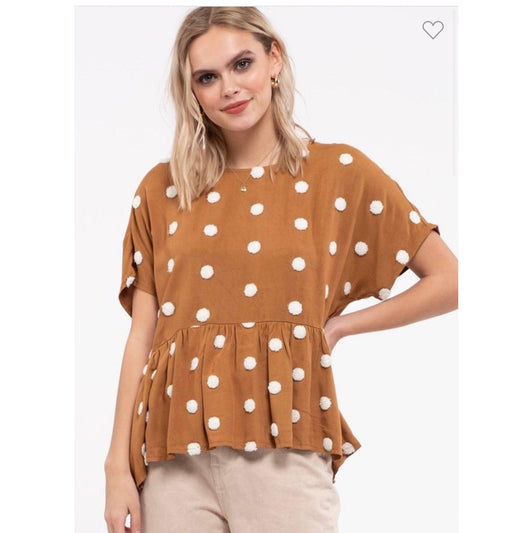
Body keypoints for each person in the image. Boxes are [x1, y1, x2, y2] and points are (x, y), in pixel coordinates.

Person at [104, 6, 458, 533]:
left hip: (284, 453)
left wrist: (339, 327)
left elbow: (451, 280)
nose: (229, 87)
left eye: (242, 63)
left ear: (274, 59)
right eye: (207, 77)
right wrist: (116, 468)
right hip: (173, 460)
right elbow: (143, 336)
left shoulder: (337, 173)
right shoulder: (162, 190)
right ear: (192, 91)